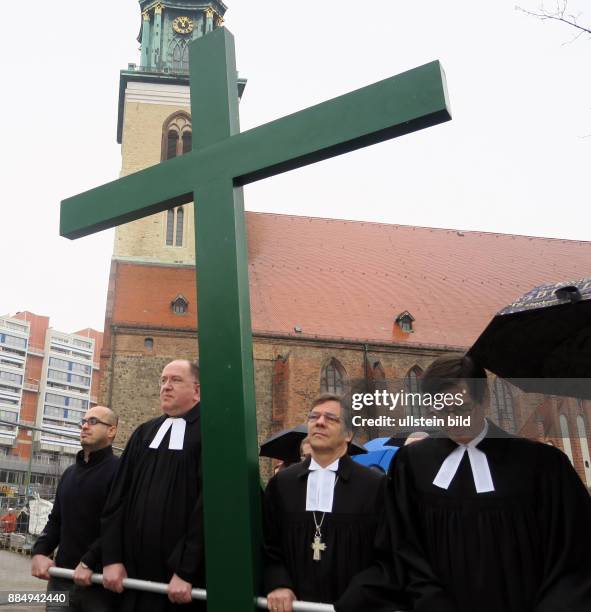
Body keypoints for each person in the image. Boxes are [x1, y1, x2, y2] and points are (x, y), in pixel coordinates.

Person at [345, 353, 591, 612]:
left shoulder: (542, 466)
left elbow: (576, 558)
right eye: (439, 409)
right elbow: (399, 550)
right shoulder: (412, 466)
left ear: (484, 399)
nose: (451, 419)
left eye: (460, 408)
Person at [263, 393, 408, 612]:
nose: (319, 422)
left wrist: (356, 597)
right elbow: (269, 546)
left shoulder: (375, 485)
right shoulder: (282, 483)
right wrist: (279, 583)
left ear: (348, 434)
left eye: (331, 418)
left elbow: (389, 556)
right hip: (296, 607)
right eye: (314, 417)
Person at [102, 359, 204, 611]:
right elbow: (117, 498)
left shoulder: (209, 433)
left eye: (175, 380)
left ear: (197, 390)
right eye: (163, 380)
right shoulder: (144, 433)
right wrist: (112, 558)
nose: (166, 386)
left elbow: (208, 507)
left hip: (179, 584)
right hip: (132, 578)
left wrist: (186, 569)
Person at [31, 405, 120, 612]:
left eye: (93, 422)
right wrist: (39, 551)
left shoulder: (120, 472)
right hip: (61, 581)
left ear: (111, 430)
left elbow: (118, 525)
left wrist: (89, 562)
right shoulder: (69, 473)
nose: (85, 426)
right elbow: (56, 520)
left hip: (98, 584)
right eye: (83, 421)